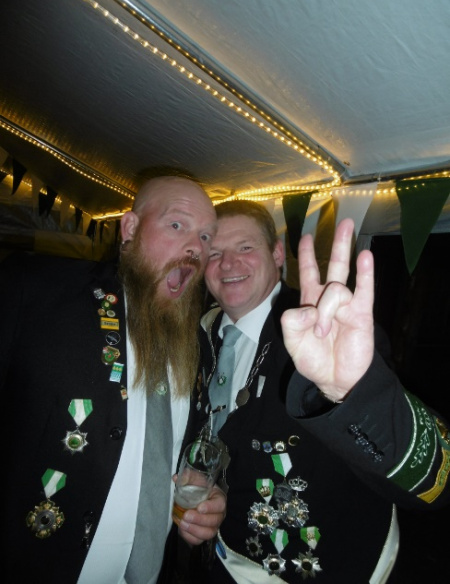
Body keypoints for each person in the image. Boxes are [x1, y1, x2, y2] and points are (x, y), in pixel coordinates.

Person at [192, 199, 450, 583]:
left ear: (276, 253)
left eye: (245, 247)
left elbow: (437, 484)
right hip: (229, 562)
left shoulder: (324, 329)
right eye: (215, 253)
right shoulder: (202, 335)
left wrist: (351, 393)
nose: (228, 263)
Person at [0, 175, 226, 583]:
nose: (196, 246)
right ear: (130, 228)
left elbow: (180, 451)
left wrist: (207, 498)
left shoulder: (199, 346)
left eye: (206, 236)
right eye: (177, 225)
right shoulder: (38, 291)